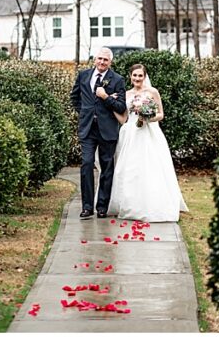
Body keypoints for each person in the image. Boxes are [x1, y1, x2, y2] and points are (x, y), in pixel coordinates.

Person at [107, 64, 189, 222]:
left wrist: (146, 117)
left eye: (140, 76)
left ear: (145, 77)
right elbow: (124, 119)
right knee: (130, 168)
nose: (137, 78)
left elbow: (161, 114)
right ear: (130, 76)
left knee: (150, 167)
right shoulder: (126, 94)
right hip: (130, 134)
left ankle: (152, 204)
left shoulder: (152, 92)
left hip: (148, 132)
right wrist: (112, 109)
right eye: (134, 75)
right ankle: (130, 204)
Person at [69, 47, 127, 219]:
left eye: (106, 60)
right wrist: (85, 112)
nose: (102, 62)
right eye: (100, 59)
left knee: (107, 168)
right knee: (86, 164)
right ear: (95, 59)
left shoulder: (117, 80)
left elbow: (121, 107)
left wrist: (105, 97)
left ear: (110, 62)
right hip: (87, 128)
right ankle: (87, 207)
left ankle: (102, 206)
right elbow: (75, 97)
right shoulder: (84, 75)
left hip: (107, 129)